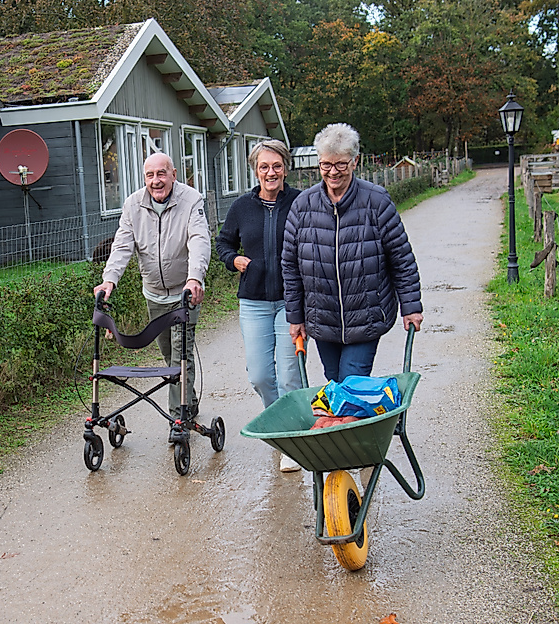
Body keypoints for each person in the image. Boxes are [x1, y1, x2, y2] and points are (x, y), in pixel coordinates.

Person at [283, 123, 423, 391]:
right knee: (335, 384)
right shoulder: (303, 206)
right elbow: (290, 267)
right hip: (322, 318)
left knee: (350, 383)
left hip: (366, 315)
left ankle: (353, 429)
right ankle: (354, 427)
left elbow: (401, 258)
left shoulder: (376, 201)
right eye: (326, 165)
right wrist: (295, 317)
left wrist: (411, 306)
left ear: (355, 161)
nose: (333, 172)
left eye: (341, 164)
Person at [94, 153, 212, 439]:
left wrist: (195, 277)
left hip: (185, 292)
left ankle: (178, 417)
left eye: (162, 173)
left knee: (180, 355)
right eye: (150, 175)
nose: (156, 180)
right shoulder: (134, 205)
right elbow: (122, 245)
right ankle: (189, 401)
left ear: (173, 174)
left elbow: (199, 239)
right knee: (169, 353)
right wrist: (109, 281)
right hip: (154, 294)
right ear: (144, 178)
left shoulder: (191, 200)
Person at [216, 139, 305, 472]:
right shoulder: (241, 207)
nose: (271, 172)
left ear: (286, 167)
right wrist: (233, 259)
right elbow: (223, 242)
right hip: (253, 302)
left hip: (292, 302)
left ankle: (291, 441)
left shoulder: (300, 202)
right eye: (264, 166)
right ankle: (281, 426)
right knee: (260, 376)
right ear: (255, 170)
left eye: (277, 165)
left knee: (289, 378)